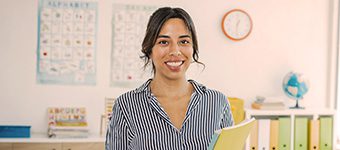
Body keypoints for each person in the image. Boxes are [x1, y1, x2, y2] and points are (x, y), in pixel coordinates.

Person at [106, 7, 234, 150]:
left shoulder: (217, 102)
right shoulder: (126, 106)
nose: (175, 51)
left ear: (193, 48)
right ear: (149, 50)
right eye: (163, 42)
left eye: (184, 41)